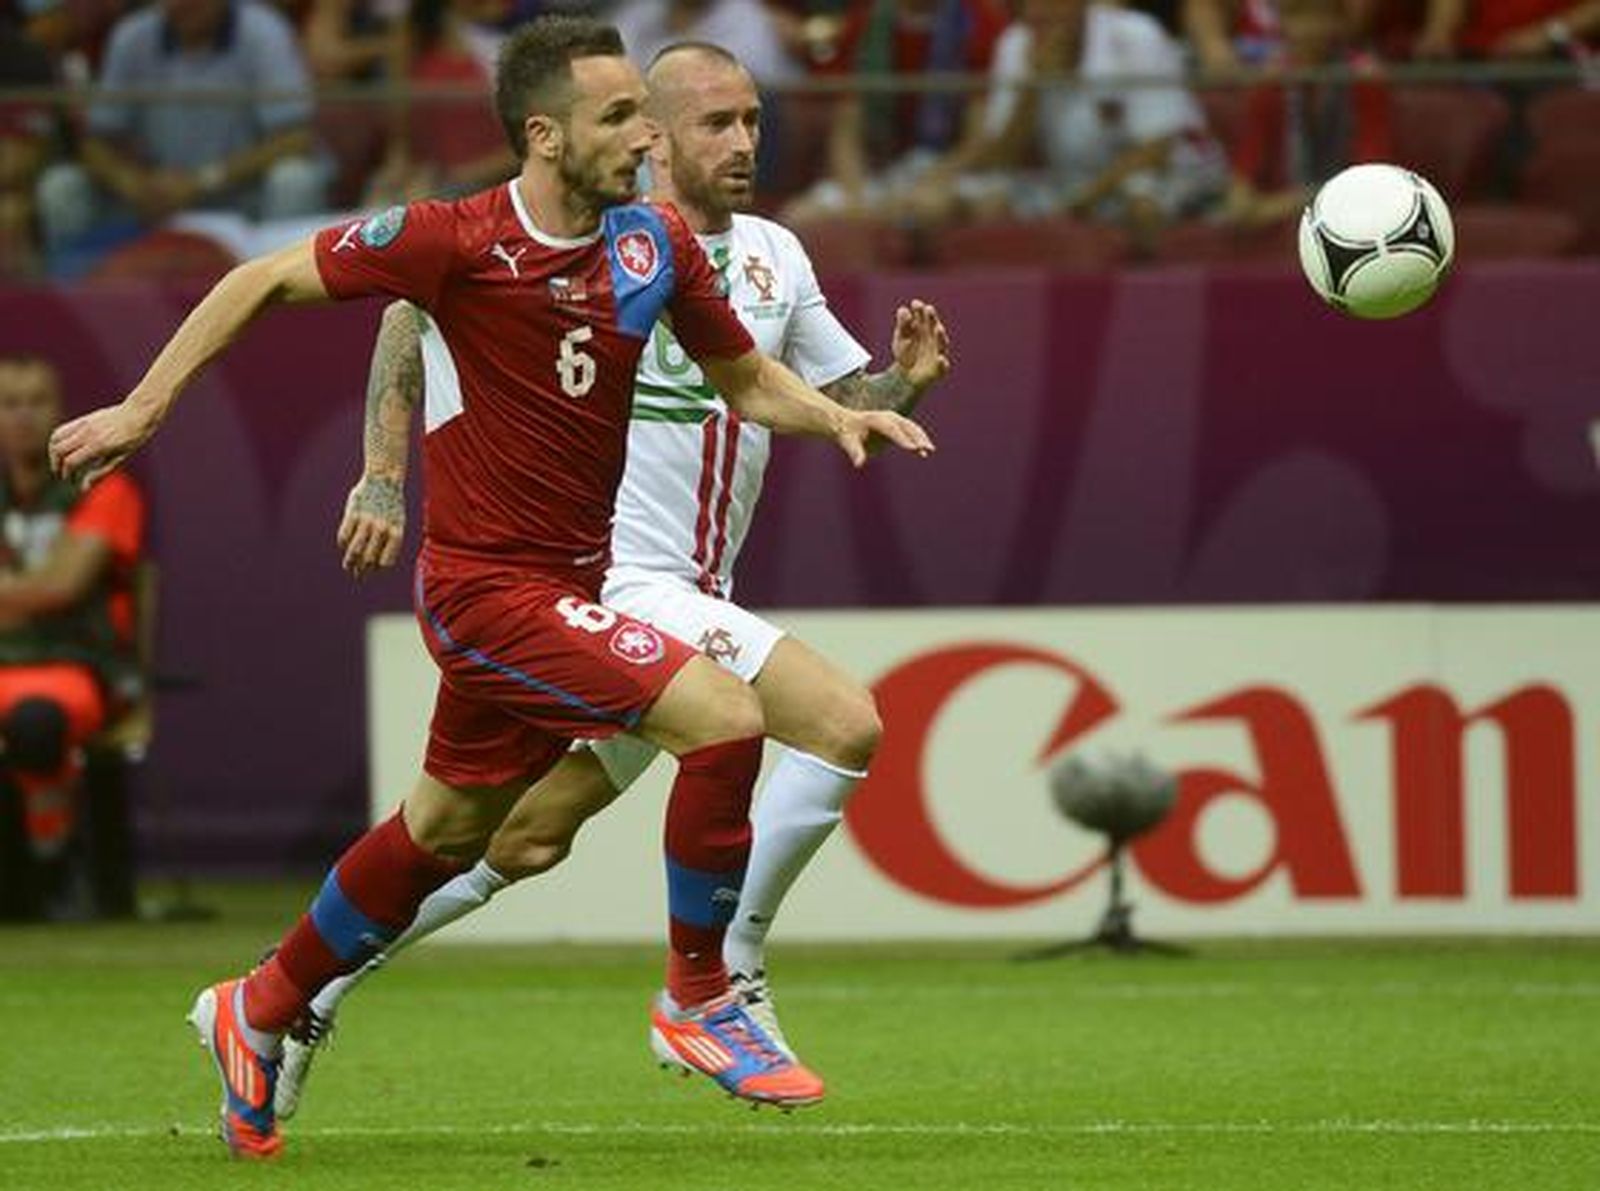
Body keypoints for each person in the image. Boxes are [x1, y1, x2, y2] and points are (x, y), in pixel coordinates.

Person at [48, 15, 934, 1161]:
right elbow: (263, 277)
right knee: (723, 718)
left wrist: (844, 411)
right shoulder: (453, 241)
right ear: (542, 134)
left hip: (565, 590)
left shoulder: (651, 243)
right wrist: (144, 407)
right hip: (487, 590)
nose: (641, 137)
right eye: (617, 117)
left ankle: (260, 1004)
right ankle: (701, 996)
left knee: (451, 831)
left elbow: (748, 381)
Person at [271, 39, 951, 1120]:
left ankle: (314, 978)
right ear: (655, 134)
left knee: (518, 838)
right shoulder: (600, 240)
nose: (742, 142)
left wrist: (898, 389)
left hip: (694, 588)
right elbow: (411, 309)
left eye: (753, 120)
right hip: (618, 581)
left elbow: (830, 400)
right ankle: (723, 982)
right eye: (713, 122)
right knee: (840, 723)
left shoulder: (774, 255)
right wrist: (383, 475)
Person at [0, 354, 145, 919]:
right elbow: (45, 586)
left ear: (59, 411)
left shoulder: (101, 485)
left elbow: (63, 587)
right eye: (10, 404)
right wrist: (30, 590)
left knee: (37, 722)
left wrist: (30, 590)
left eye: (36, 402)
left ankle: (50, 852)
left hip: (78, 666)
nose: (23, 416)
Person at [35, 0, 327, 257]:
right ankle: (73, 301)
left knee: (294, 180)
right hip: (151, 198)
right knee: (62, 185)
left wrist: (201, 181)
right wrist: (132, 183)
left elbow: (295, 137)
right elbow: (96, 141)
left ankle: (283, 294)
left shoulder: (264, 31)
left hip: (237, 195)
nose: (181, 6)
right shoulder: (132, 36)